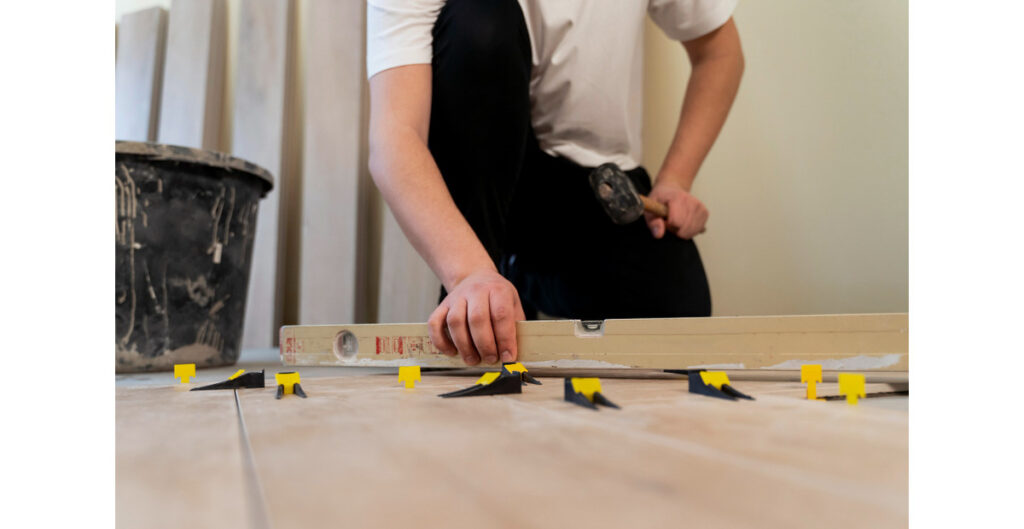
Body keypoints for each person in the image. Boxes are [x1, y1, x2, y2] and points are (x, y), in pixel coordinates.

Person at [367, 0, 744, 366]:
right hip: (480, 188)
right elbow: (395, 138)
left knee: (678, 313)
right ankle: (482, 286)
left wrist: (676, 179)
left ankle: (518, 277)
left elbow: (719, 53)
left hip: (589, 181)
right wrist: (470, 274)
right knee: (480, 21)